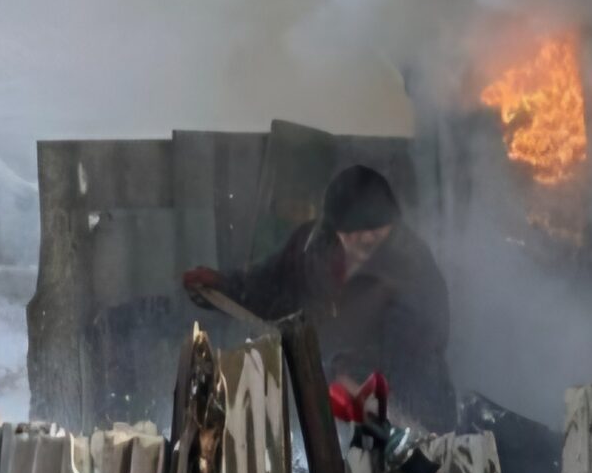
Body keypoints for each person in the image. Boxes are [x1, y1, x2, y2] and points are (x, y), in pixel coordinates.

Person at [184, 163, 456, 430]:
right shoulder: (310, 249)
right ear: (335, 227)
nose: (367, 236)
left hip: (406, 420)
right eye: (355, 230)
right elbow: (268, 286)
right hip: (326, 409)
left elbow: (413, 350)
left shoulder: (413, 269)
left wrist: (352, 372)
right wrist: (223, 285)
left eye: (377, 229)